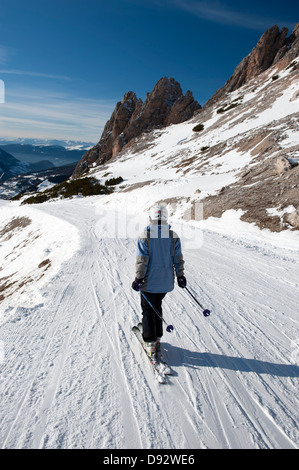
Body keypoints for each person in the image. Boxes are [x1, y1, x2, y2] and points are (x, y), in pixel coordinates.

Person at [132, 204, 186, 357]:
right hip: (165, 282)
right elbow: (178, 258)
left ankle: (150, 341)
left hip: (148, 282)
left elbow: (142, 260)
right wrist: (180, 275)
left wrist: (138, 279)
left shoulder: (146, 235)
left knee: (148, 309)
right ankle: (158, 336)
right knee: (157, 304)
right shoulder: (173, 236)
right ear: (165, 218)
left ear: (151, 218)